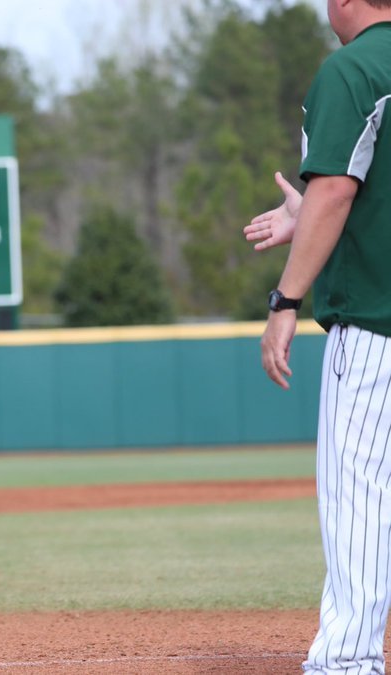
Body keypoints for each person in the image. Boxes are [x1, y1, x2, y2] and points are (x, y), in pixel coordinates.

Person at [246, 1, 391, 672]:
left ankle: (348, 662)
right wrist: (312, 214)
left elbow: (337, 187)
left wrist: (287, 298)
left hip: (375, 325)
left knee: (359, 493)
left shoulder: (355, 67)